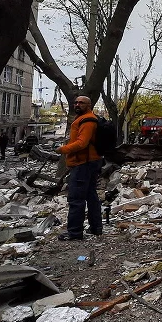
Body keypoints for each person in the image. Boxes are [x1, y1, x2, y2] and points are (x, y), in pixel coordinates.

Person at [58, 95, 103, 240]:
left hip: (83, 163)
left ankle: (75, 232)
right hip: (88, 162)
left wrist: (63, 149)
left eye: (81, 103)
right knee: (91, 196)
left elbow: (82, 143)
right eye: (76, 102)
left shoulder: (88, 120)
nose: (77, 104)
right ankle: (96, 228)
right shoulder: (84, 119)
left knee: (76, 199)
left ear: (89, 105)